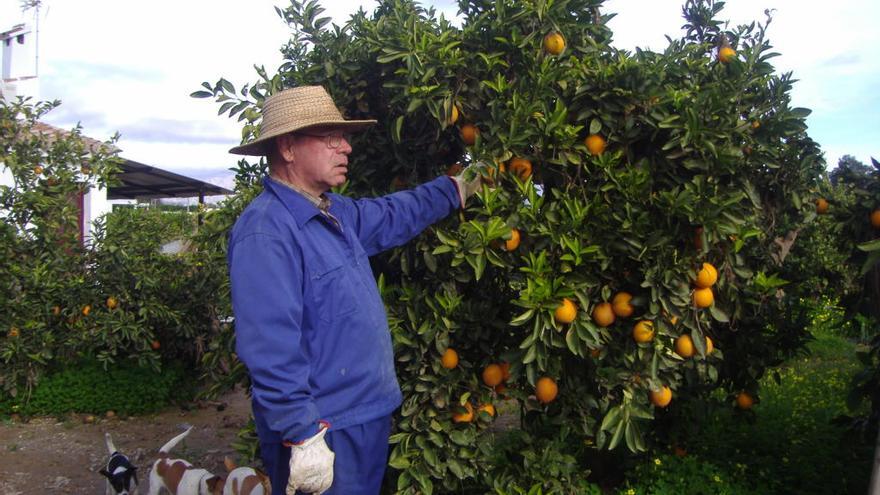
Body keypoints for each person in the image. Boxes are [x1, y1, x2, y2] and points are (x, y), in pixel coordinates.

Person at [227, 86, 482, 495]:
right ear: (288, 146)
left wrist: (457, 187)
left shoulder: (333, 212)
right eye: (330, 136)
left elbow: (393, 214)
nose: (345, 146)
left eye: (343, 136)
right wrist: (302, 434)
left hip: (365, 416)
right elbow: (270, 345)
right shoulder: (267, 231)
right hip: (325, 429)